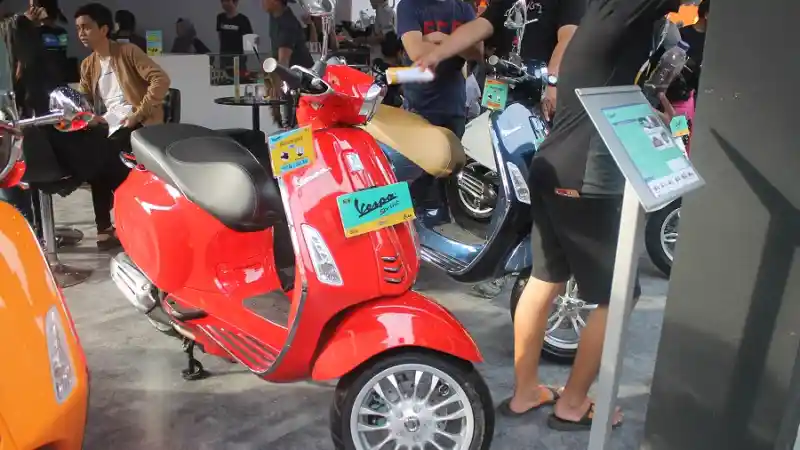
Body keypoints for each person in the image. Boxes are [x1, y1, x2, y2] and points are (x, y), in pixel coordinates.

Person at [75, 2, 170, 249]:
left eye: (86, 27)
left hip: (137, 122)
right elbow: (83, 99)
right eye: (78, 28)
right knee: (94, 159)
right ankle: (105, 227)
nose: (81, 33)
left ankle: (120, 223)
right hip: (108, 124)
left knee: (104, 160)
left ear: (104, 29)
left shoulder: (128, 52)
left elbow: (160, 79)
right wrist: (85, 114)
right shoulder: (88, 64)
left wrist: (139, 114)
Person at [414, 0, 584, 122]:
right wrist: (436, 55)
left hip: (539, 93)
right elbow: (478, 26)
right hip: (499, 89)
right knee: (488, 146)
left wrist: (552, 82)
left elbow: (569, 37)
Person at [396, 0, 482, 225]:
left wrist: (440, 38)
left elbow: (477, 52)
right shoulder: (410, 6)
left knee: (448, 172)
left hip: (454, 103)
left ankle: (439, 221)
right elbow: (416, 51)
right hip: (419, 103)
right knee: (417, 173)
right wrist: (459, 43)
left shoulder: (463, 8)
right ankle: (413, 227)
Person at [261, 0, 314, 128]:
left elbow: (283, 63)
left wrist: (276, 90)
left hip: (301, 82)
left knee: (294, 125)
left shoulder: (287, 24)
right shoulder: (274, 16)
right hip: (289, 79)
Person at [217, 0, 253, 70]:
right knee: (224, 75)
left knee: (238, 76)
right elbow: (220, 35)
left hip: (238, 58)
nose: (224, 3)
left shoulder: (243, 20)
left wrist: (243, 56)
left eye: (227, 1)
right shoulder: (220, 17)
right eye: (222, 1)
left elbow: (250, 42)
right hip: (224, 57)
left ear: (235, 2)